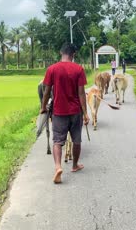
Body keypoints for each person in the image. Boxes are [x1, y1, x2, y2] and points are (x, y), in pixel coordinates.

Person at [40, 43, 90, 184]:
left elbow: (47, 91)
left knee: (57, 141)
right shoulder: (79, 69)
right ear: (73, 54)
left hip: (59, 111)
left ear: (61, 52)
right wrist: (85, 113)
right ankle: (74, 165)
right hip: (75, 112)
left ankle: (58, 167)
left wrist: (43, 107)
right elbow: (81, 94)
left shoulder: (52, 69)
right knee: (77, 140)